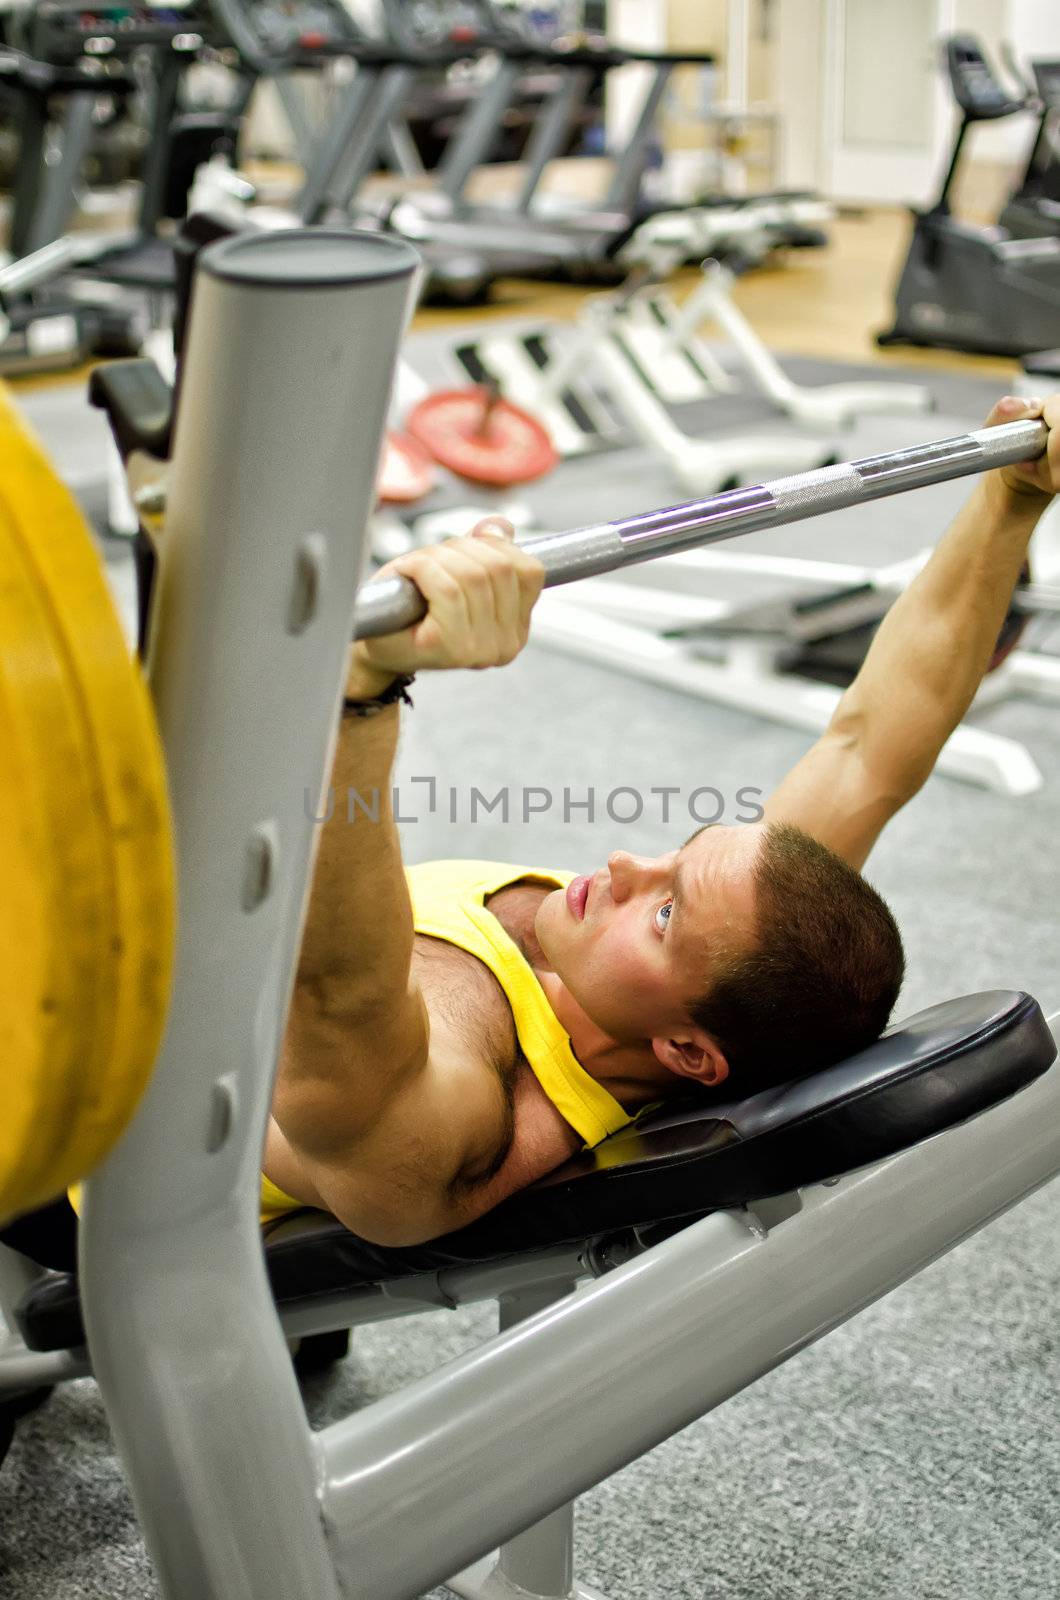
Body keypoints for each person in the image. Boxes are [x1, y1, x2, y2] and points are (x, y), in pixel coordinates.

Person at [261, 394, 1059, 1247]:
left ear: (686, 1052)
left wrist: (363, 690)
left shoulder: (461, 1127)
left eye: (665, 911)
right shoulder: (740, 950)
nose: (622, 865)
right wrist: (1011, 500)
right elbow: (869, 746)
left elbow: (334, 996)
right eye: (674, 858)